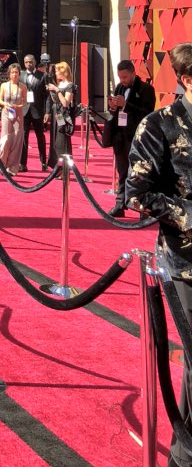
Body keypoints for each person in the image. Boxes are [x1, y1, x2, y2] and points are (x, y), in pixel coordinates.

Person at [126, 43, 192, 467]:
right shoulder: (159, 125)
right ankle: (183, 456)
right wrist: (187, 216)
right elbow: (135, 194)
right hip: (184, 264)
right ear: (187, 79)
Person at [105, 58, 156, 217]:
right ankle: (120, 204)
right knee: (122, 172)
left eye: (125, 77)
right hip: (120, 137)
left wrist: (126, 105)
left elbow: (147, 113)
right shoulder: (119, 88)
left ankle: (143, 209)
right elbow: (116, 112)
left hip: (137, 137)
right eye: (120, 77)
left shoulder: (146, 89)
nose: (122, 80)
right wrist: (112, 107)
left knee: (139, 173)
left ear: (133, 73)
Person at [18, 54, 49, 173]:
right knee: (24, 137)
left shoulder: (43, 76)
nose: (29, 64)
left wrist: (47, 112)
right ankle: (22, 164)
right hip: (24, 111)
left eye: (31, 62)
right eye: (26, 62)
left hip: (38, 111)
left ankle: (44, 162)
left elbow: (47, 97)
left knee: (40, 137)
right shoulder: (21, 76)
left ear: (35, 62)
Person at [0, 63, 27, 174]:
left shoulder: (23, 87)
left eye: (16, 72)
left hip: (18, 114)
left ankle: (12, 167)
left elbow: (25, 102)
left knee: (17, 139)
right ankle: (1, 163)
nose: (14, 74)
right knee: (5, 138)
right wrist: (6, 104)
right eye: (12, 72)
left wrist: (18, 106)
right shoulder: (4, 85)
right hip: (6, 113)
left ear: (19, 74)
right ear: (9, 74)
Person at [46, 61, 75, 168]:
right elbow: (55, 101)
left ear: (64, 71)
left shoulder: (69, 85)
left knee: (61, 139)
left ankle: (64, 168)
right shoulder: (60, 84)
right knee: (54, 138)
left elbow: (65, 103)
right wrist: (52, 91)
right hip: (56, 112)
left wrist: (57, 90)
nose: (56, 73)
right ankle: (56, 166)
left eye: (58, 71)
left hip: (63, 114)